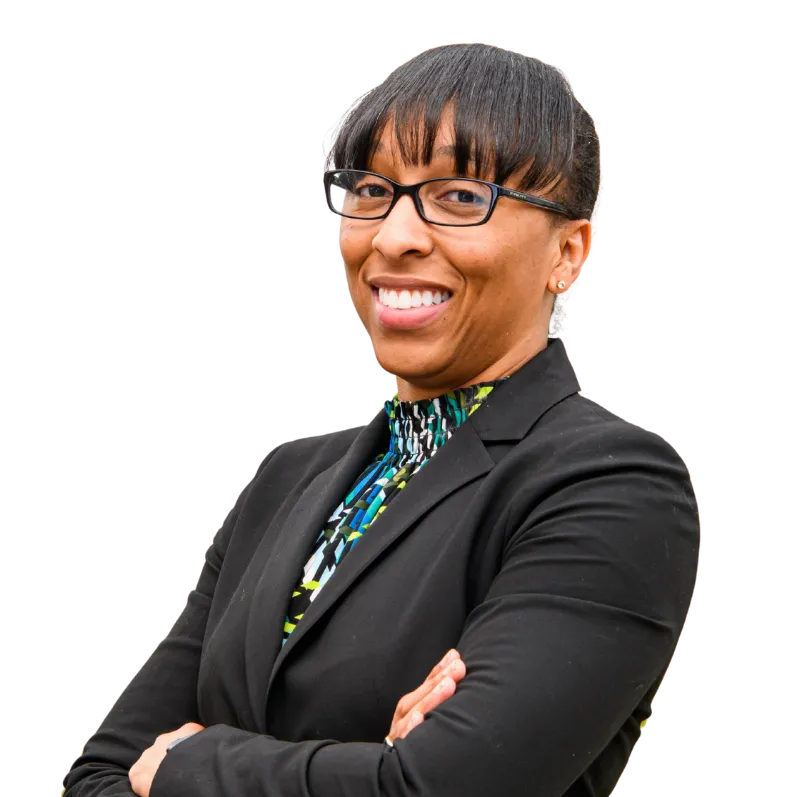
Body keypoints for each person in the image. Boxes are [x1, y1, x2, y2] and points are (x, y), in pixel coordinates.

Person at [63, 43, 699, 797]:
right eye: (371, 190)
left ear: (568, 251)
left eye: (459, 196)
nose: (394, 236)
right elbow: (96, 777)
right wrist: (373, 767)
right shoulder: (288, 479)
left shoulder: (611, 488)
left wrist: (187, 765)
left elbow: (446, 789)